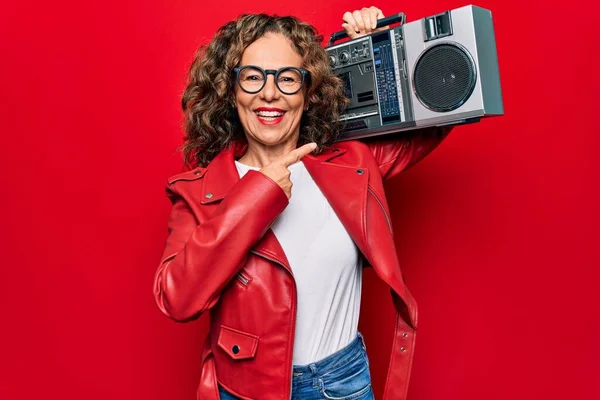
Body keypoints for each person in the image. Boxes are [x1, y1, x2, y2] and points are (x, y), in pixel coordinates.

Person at [153, 6, 451, 400]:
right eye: (253, 77)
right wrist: (258, 194)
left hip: (344, 383)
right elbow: (177, 299)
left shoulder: (354, 165)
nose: (270, 92)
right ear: (231, 90)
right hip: (246, 391)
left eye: (288, 78)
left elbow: (444, 107)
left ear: (309, 93)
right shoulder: (198, 192)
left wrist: (380, 43)